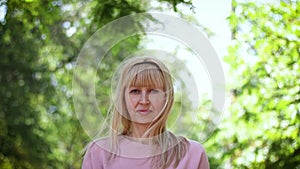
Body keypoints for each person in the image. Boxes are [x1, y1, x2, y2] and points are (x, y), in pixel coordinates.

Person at [81, 56, 210, 169]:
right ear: (123, 98)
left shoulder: (193, 154)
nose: (144, 100)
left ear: (167, 97)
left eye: (153, 91)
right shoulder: (99, 152)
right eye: (135, 91)